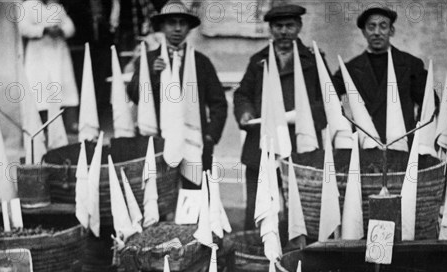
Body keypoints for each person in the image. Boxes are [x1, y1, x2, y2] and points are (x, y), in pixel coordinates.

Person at [233, 4, 328, 230]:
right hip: (262, 144)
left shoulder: (314, 60)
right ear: (271, 29)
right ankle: (256, 253)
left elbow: (328, 100)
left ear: (299, 27)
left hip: (300, 145)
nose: (284, 31)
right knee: (260, 204)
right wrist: (246, 113)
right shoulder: (258, 61)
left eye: (290, 26)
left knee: (302, 206)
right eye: (278, 26)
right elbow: (242, 94)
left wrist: (302, 117)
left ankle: (299, 253)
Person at [126, 0, 227, 189]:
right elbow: (134, 96)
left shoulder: (201, 63)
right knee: (157, 193)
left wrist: (210, 136)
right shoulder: (148, 60)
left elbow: (219, 103)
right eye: (172, 23)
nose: (177, 29)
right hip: (157, 141)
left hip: (193, 139)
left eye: (183, 23)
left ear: (189, 28)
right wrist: (152, 76)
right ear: (162, 27)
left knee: (194, 194)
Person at [332, 6, 431, 147]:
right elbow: (327, 92)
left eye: (383, 26)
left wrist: (416, 132)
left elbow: (429, 102)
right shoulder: (350, 68)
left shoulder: (410, 64)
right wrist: (344, 130)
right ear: (364, 32)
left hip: (401, 144)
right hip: (365, 143)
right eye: (371, 27)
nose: (377, 32)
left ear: (392, 30)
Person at [19, 0, 79, 129]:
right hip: (38, 52)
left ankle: (68, 123)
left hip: (58, 50)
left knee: (64, 85)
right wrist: (45, 30)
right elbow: (23, 27)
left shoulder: (56, 7)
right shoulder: (28, 6)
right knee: (40, 87)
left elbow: (70, 27)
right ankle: (44, 124)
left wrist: (60, 30)